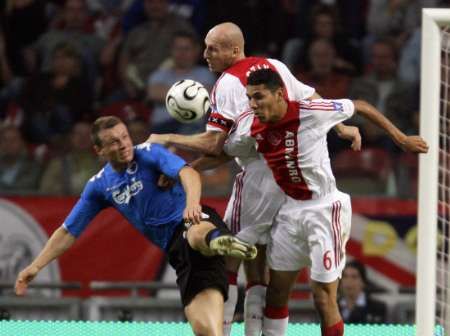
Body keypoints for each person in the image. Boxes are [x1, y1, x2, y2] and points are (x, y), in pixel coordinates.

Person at [148, 22, 361, 336]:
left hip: (259, 178)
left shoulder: (227, 84)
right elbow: (309, 95)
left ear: (234, 50)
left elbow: (216, 145)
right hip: (287, 180)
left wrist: (167, 138)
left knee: (228, 262)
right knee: (263, 269)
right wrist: (340, 126)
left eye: (212, 48)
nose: (205, 54)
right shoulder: (273, 67)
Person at [15, 116, 257, 336]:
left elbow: (188, 174)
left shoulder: (149, 152)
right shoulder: (99, 186)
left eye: (124, 137)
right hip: (181, 256)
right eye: (113, 142)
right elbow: (68, 231)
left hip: (194, 219)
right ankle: (217, 243)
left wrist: (192, 204)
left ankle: (216, 240)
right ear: (99, 150)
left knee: (194, 232)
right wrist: (35, 267)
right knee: (205, 331)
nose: (122, 144)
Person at [230, 68, 427, 335]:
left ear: (279, 94)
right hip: (288, 211)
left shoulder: (311, 111)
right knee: (276, 294)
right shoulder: (249, 125)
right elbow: (218, 149)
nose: (253, 104)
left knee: (323, 296)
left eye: (259, 97)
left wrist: (401, 139)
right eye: (249, 98)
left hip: (324, 209)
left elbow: (361, 105)